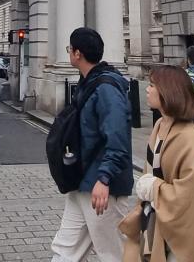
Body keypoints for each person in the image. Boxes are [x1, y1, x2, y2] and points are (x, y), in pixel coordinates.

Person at [120, 65, 194, 262]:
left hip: (180, 236)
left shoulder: (189, 137)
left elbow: (190, 194)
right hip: (156, 220)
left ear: (168, 92)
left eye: (152, 85)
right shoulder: (160, 125)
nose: (147, 89)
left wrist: (154, 187)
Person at [50, 27, 133, 262]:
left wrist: (104, 178)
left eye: (70, 49)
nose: (69, 53)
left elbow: (117, 139)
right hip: (82, 182)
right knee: (65, 249)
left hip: (101, 187)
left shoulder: (106, 89)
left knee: (114, 254)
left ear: (77, 54)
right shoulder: (88, 82)